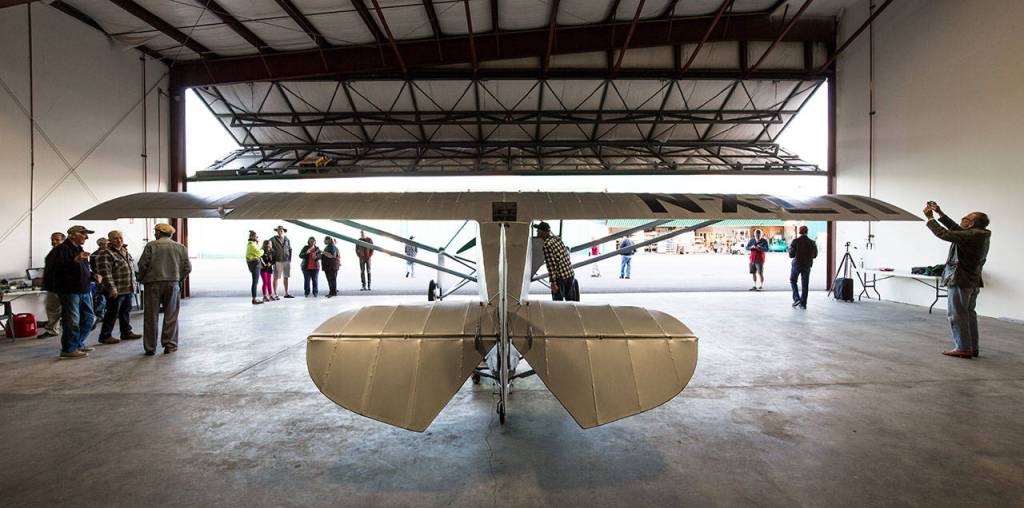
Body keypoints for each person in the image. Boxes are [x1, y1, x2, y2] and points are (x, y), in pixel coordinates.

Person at [924, 201, 991, 359]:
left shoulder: (971, 235)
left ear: (972, 223)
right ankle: (971, 347)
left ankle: (963, 348)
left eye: (966, 218)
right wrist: (940, 213)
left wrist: (929, 219)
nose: (962, 219)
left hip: (961, 279)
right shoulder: (978, 234)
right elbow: (957, 230)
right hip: (972, 280)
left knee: (957, 314)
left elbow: (944, 234)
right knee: (968, 314)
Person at [138, 223, 191, 356]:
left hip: (152, 283)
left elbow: (143, 265)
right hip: (172, 283)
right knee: (171, 315)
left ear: (158, 232)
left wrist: (142, 279)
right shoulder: (180, 247)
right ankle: (170, 344)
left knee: (151, 316)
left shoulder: (151, 246)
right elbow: (187, 267)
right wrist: (178, 278)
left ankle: (150, 347)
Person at [45, 226, 99, 359]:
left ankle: (77, 343)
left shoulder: (78, 249)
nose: (86, 237)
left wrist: (93, 276)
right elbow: (55, 269)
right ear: (72, 235)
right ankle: (69, 349)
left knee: (89, 318)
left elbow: (82, 269)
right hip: (70, 291)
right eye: (83, 234)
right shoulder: (60, 250)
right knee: (72, 320)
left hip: (83, 289)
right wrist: (74, 260)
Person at [94, 230, 142, 345]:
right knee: (112, 312)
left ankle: (126, 332)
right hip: (116, 289)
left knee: (125, 311)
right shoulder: (106, 253)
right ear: (109, 240)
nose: (119, 240)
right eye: (115, 238)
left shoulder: (124, 251)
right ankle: (105, 336)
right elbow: (105, 273)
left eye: (120, 237)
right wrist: (112, 288)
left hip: (127, 288)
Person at [535, 221, 575, 301]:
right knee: (570, 303)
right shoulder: (557, 239)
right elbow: (566, 255)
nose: (537, 233)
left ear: (543, 232)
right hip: (570, 274)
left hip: (560, 278)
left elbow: (551, 266)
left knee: (558, 304)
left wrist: (553, 283)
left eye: (538, 231)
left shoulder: (547, 245)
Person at [38, 231, 66, 339]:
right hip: (53, 286)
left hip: (63, 286)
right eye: (52, 239)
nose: (54, 242)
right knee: (52, 308)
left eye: (57, 240)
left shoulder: (65, 252)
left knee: (67, 310)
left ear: (63, 240)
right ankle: (52, 330)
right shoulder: (53, 252)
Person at [788, 225, 818, 309]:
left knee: (793, 280)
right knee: (805, 284)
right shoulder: (812, 242)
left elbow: (791, 255)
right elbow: (815, 255)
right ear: (807, 232)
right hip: (807, 265)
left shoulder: (795, 241)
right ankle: (803, 304)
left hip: (797, 264)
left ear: (799, 232)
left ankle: (796, 298)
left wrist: (791, 249)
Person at [89, 237, 110, 326]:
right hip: (100, 278)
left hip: (110, 277)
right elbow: (94, 268)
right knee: (101, 297)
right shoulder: (94, 255)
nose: (107, 245)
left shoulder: (110, 253)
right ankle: (99, 315)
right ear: (100, 245)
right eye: (105, 244)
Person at [271, 225, 294, 298]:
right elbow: (268, 248)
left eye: (281, 230)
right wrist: (272, 259)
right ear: (277, 231)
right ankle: (275, 294)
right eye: (279, 230)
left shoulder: (287, 239)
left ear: (284, 231)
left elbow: (290, 249)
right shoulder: (273, 239)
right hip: (277, 261)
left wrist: (289, 259)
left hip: (286, 261)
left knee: (286, 277)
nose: (280, 231)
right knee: (276, 277)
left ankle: (286, 293)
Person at [245, 231, 263, 305]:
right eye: (256, 236)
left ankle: (254, 298)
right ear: (252, 237)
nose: (257, 237)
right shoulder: (251, 245)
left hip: (255, 264)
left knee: (255, 282)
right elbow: (259, 253)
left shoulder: (252, 244)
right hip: (255, 265)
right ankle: (254, 299)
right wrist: (262, 250)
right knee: (255, 282)